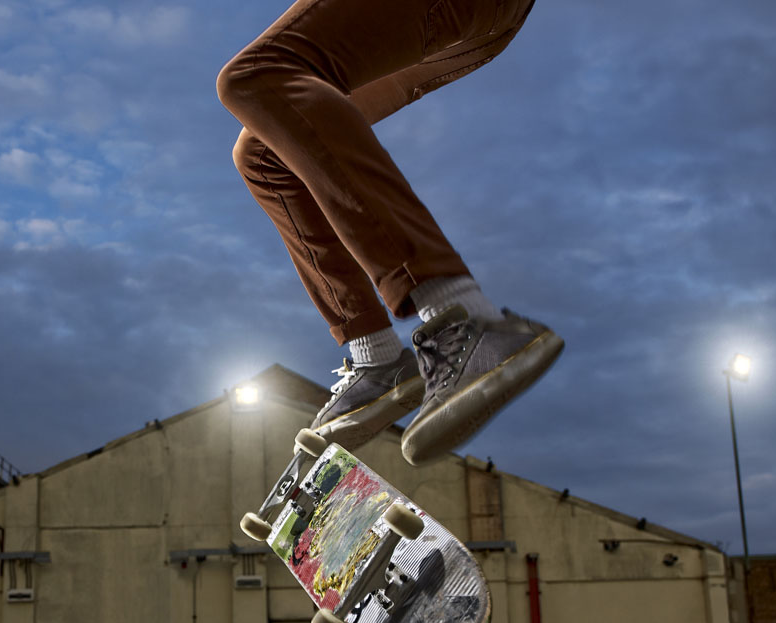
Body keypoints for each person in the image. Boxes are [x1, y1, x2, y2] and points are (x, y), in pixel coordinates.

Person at [216, 0, 562, 464]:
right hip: (475, 29)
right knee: (263, 154)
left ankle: (463, 316)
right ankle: (376, 358)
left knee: (258, 75)